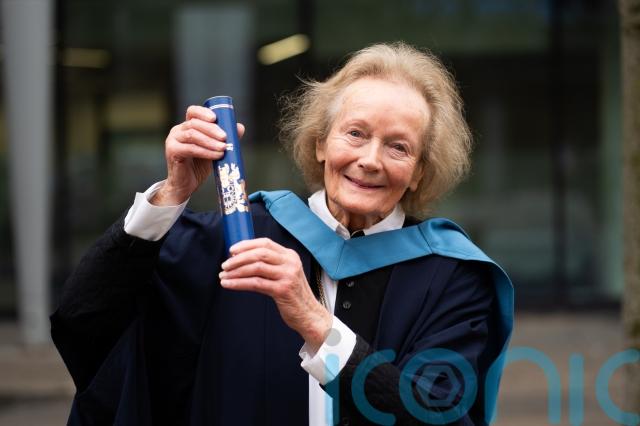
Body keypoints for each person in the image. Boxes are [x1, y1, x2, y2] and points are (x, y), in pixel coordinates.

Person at [51, 42, 513, 426]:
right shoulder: (228, 243)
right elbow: (87, 322)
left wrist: (316, 324)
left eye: (398, 147)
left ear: (419, 172)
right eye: (355, 133)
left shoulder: (451, 278)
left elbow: (435, 413)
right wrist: (172, 194)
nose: (371, 160)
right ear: (320, 143)